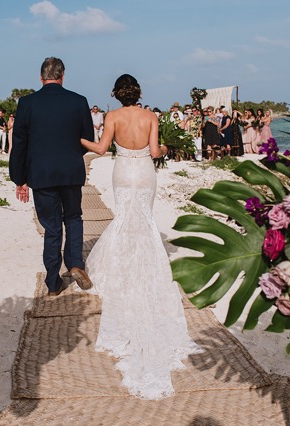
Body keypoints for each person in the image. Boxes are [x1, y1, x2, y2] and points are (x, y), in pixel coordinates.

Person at [79, 74, 201, 400]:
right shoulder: (151, 116)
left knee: (123, 219)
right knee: (145, 220)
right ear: (138, 93)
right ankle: (144, 266)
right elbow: (155, 152)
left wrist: (79, 140)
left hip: (123, 171)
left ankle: (120, 268)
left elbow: (102, 149)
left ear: (117, 94)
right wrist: (164, 147)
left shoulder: (112, 117)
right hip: (145, 171)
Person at [9, 57, 94, 296]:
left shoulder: (27, 103)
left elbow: (20, 144)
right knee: (74, 218)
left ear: (41, 77)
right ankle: (76, 263)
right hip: (71, 172)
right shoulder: (78, 101)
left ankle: (53, 282)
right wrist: (70, 155)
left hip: (41, 174)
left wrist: (20, 179)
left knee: (52, 227)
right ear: (62, 75)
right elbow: (86, 138)